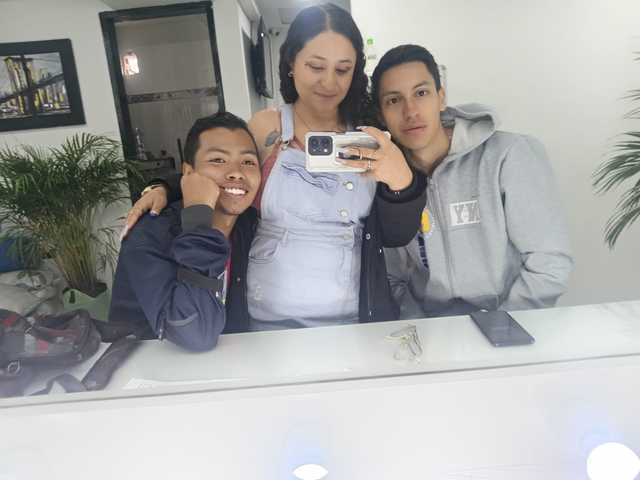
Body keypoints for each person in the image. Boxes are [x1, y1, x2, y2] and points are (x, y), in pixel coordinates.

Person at [121, 4, 426, 331]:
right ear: (291, 62)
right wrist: (165, 187)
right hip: (265, 320)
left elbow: (396, 234)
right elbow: (225, 172)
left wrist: (401, 181)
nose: (329, 82)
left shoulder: (369, 132)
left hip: (354, 318)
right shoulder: (267, 127)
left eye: (343, 69)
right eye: (315, 66)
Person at [365, 44, 573, 318]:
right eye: (394, 100)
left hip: (511, 326)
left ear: (441, 98)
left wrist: (502, 328)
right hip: (432, 336)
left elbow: (549, 262)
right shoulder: (388, 181)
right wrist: (420, 332)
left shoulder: (509, 155)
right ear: (381, 114)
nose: (410, 111)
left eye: (421, 93)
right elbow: (393, 276)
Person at [109, 112, 261, 351]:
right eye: (218, 160)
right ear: (188, 173)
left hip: (231, 361)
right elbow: (195, 333)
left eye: (248, 162)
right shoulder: (149, 234)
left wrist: (166, 187)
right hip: (152, 366)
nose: (236, 172)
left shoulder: (250, 223)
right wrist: (198, 220)